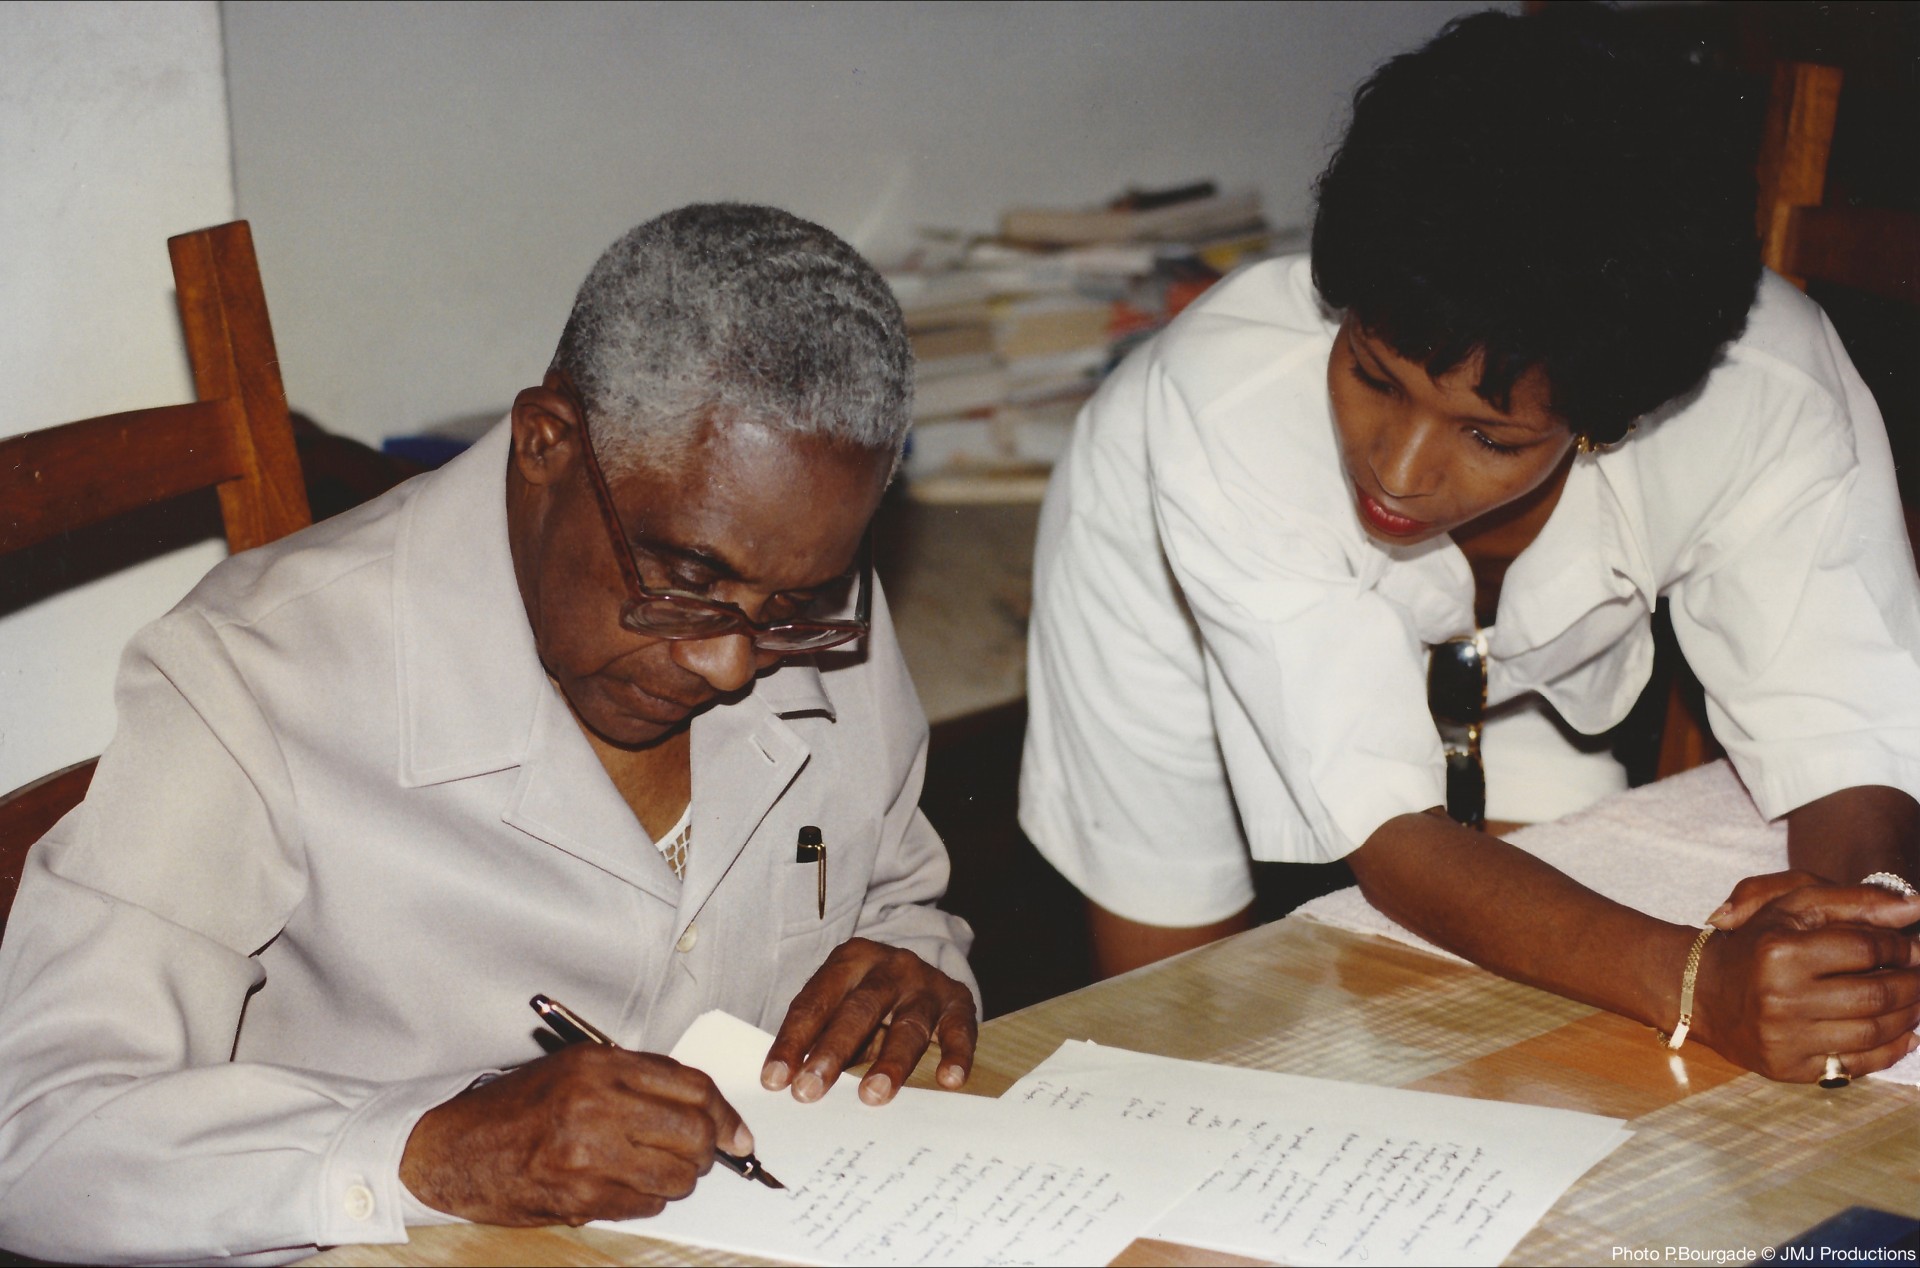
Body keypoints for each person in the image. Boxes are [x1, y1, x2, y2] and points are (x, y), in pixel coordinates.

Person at [0, 203, 978, 1263]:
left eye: (791, 604)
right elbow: (38, 1139)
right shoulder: (257, 673)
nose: (733, 661)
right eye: (686, 583)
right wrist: (424, 1151)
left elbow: (893, 895)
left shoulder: (793, 597)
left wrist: (913, 972)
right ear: (545, 443)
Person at [1021, 8, 1920, 1085]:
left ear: (1613, 418)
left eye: (1489, 435)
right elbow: (1390, 832)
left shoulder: (1761, 395)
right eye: (1372, 376)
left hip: (1521, 656)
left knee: (1562, 1052)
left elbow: (1847, 722)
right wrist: (1697, 981)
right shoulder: (1225, 409)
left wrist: (1867, 925)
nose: (1397, 472)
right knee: (1181, 1033)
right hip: (1176, 574)